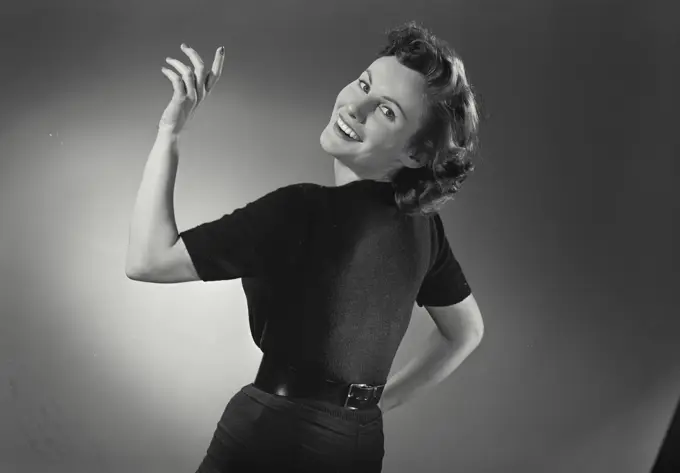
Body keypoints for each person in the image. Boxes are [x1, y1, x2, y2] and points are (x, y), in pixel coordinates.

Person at [126, 21, 485, 473]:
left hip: (273, 435)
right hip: (359, 443)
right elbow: (466, 331)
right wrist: (376, 403)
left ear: (415, 154)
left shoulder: (301, 210)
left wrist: (169, 133)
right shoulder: (424, 230)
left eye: (387, 111)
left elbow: (147, 260)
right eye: (363, 84)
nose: (355, 106)